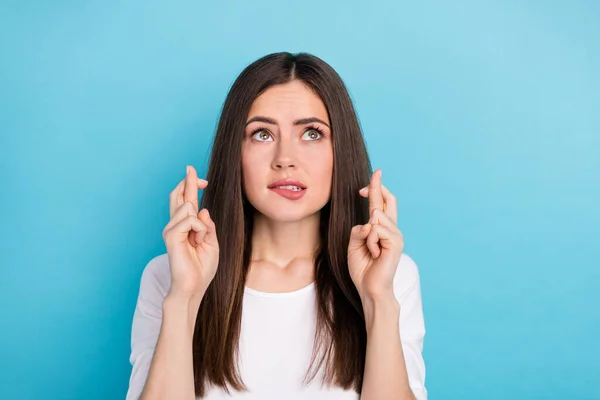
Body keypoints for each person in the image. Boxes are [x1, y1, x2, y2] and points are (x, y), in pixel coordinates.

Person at [125, 52, 427, 400]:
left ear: (340, 150)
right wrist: (184, 299)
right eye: (262, 134)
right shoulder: (168, 277)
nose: (285, 158)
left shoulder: (391, 277)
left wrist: (377, 300)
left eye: (312, 133)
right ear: (234, 154)